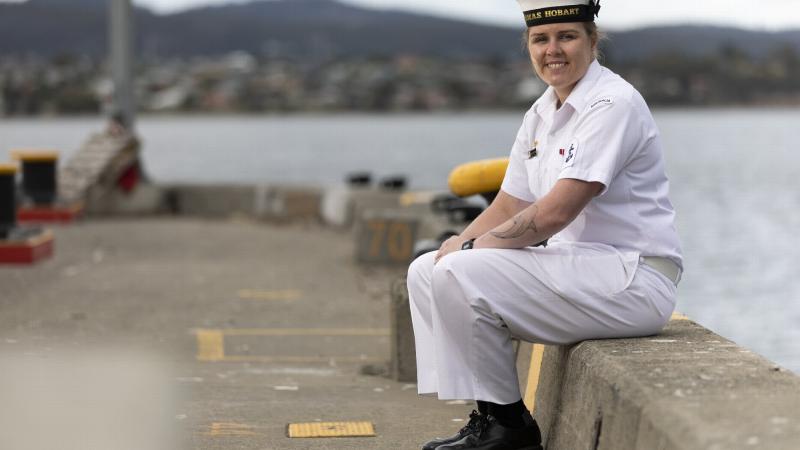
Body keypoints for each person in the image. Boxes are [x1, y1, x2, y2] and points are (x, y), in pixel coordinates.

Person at [406, 0, 683, 449]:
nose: (553, 49)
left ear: (593, 42)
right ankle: (490, 416)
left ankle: (512, 430)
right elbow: (510, 202)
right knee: (427, 268)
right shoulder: (540, 113)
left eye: (567, 36)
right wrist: (458, 241)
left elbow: (556, 213)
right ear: (529, 47)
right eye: (541, 39)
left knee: (460, 270)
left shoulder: (613, 103)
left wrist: (470, 253)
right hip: (580, 268)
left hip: (634, 277)